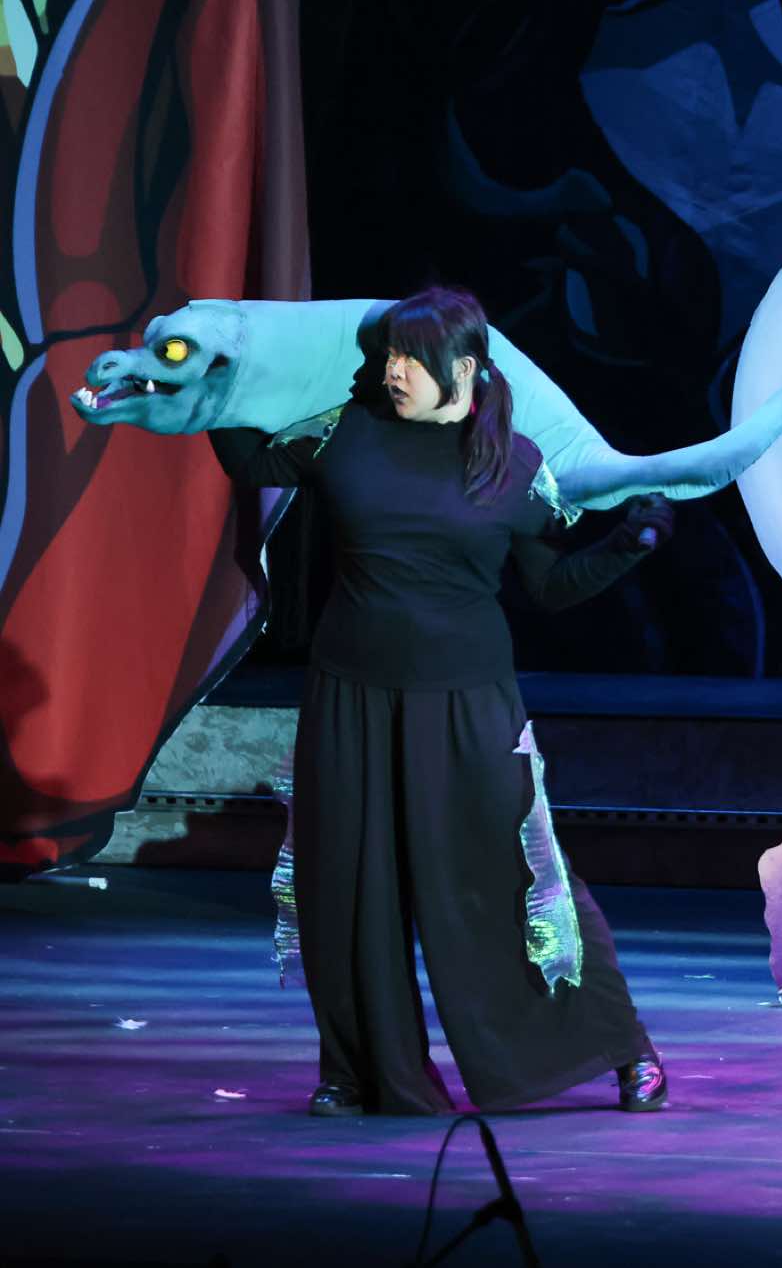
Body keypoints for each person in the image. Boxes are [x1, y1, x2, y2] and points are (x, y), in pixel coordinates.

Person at [208, 285, 673, 1117]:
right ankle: (359, 1071)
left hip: (468, 705)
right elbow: (251, 460)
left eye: (410, 359)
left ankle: (621, 1048)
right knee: (348, 886)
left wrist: (629, 544)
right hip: (350, 697)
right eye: (388, 354)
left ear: (462, 369)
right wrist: (213, 378)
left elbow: (553, 586)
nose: (392, 371)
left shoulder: (514, 464)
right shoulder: (344, 432)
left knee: (516, 882)